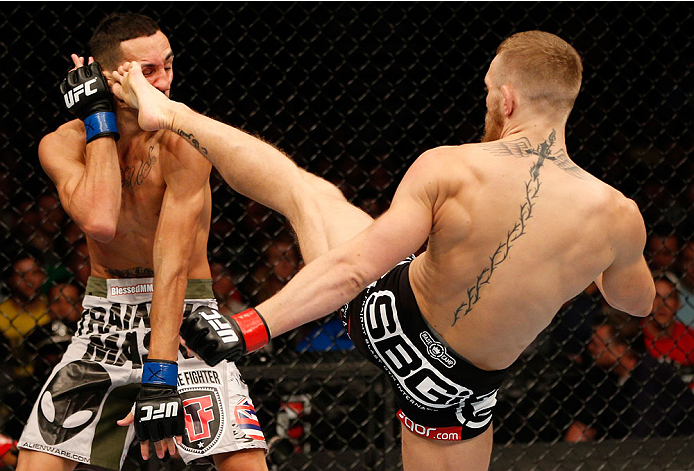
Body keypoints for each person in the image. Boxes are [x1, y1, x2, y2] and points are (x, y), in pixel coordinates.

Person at [112, 31, 656, 471]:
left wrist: (249, 327)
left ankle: (173, 114)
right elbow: (636, 303)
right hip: (463, 386)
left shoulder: (453, 166)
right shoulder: (616, 214)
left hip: (394, 322)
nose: (488, 99)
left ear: (507, 98)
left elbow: (352, 270)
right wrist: (598, 264)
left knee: (303, 190)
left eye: (490, 90)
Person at [16, 13, 268, 471]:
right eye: (147, 71)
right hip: (104, 318)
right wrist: (97, 119)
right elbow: (100, 219)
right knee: (38, 464)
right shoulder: (62, 143)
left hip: (185, 312)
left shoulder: (185, 137)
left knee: (244, 465)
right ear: (106, 73)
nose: (164, 81)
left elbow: (171, 263)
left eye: (168, 66)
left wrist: (160, 374)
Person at [560, 313, 694, 441]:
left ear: (620, 350)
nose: (590, 348)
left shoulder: (650, 379)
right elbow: (584, 427)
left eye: (596, 344)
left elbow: (641, 443)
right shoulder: (605, 376)